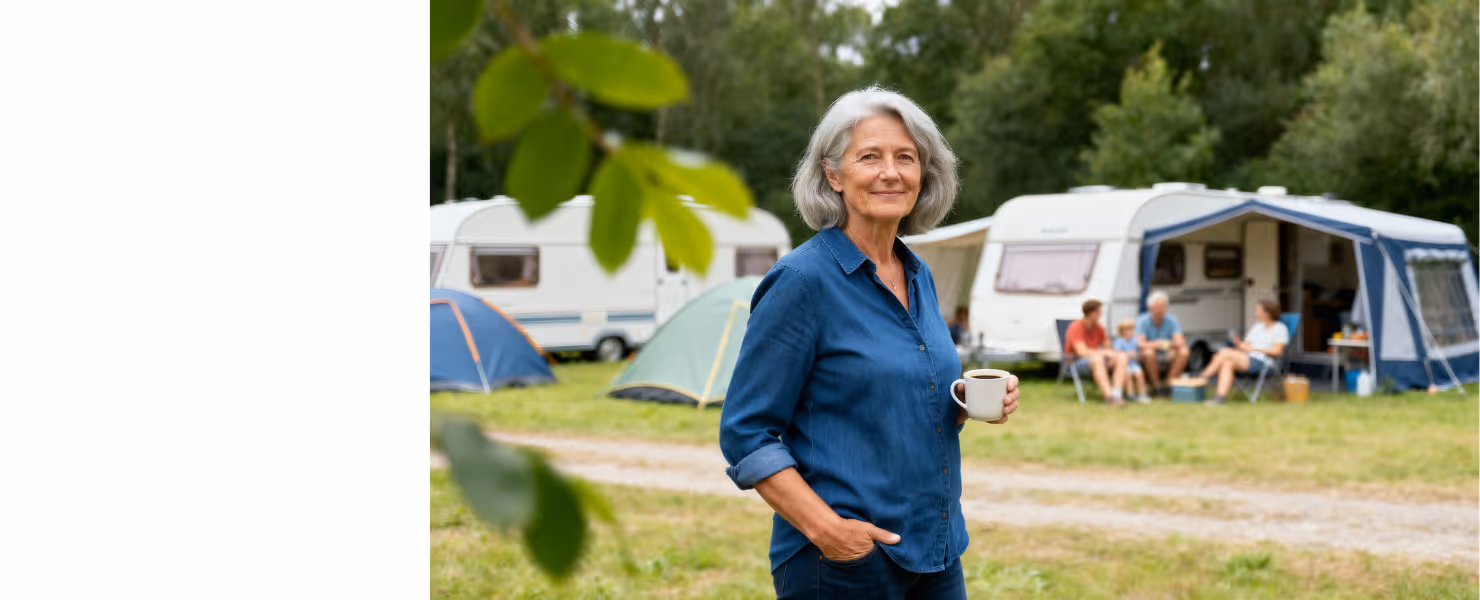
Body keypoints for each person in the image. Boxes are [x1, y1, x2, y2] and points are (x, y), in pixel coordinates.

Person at [718, 86, 1020, 599]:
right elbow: (747, 432)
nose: (891, 172)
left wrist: (965, 402)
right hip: (843, 564)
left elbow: (899, 395)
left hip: (936, 549)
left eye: (906, 157)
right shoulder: (802, 282)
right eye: (870, 157)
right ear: (833, 175)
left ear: (924, 173)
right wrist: (829, 532)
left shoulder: (918, 275)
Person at [1199, 299, 1289, 405]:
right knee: (1227, 363)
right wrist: (1239, 343)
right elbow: (1245, 346)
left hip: (1264, 362)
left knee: (1224, 352)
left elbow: (1277, 351)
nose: (1256, 313)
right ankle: (1220, 398)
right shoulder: (1257, 327)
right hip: (1247, 358)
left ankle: (1202, 378)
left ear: (1267, 313)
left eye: (1258, 311)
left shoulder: (1280, 329)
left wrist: (1254, 349)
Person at [1064, 298, 1128, 406]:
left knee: (1122, 356)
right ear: (1090, 313)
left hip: (1097, 360)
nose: (1100, 315)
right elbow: (1082, 352)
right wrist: (1103, 353)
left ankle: (1117, 394)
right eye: (1098, 312)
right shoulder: (1076, 327)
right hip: (1076, 363)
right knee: (1097, 359)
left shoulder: (1099, 328)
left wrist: (1112, 355)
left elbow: (1108, 348)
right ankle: (1109, 397)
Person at [1135, 291, 1190, 395]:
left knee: (1184, 352)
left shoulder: (1172, 320)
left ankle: (1169, 385)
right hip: (1148, 353)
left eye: (1163, 306)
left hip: (1167, 352)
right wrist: (1159, 343)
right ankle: (1157, 387)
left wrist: (1166, 345)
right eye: (1158, 307)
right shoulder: (1142, 321)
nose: (1161, 309)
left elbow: (1180, 342)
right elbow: (1140, 344)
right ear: (1150, 308)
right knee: (1149, 353)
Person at [1113, 319, 1151, 403]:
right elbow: (1117, 353)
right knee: (1128, 375)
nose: (1130, 332)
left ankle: (1142, 394)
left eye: (1132, 330)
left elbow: (1140, 349)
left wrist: (1137, 354)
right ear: (1122, 331)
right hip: (1124, 365)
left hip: (1133, 364)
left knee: (1140, 374)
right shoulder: (1119, 341)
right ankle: (1130, 394)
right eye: (1128, 330)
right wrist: (1127, 354)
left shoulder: (1135, 340)